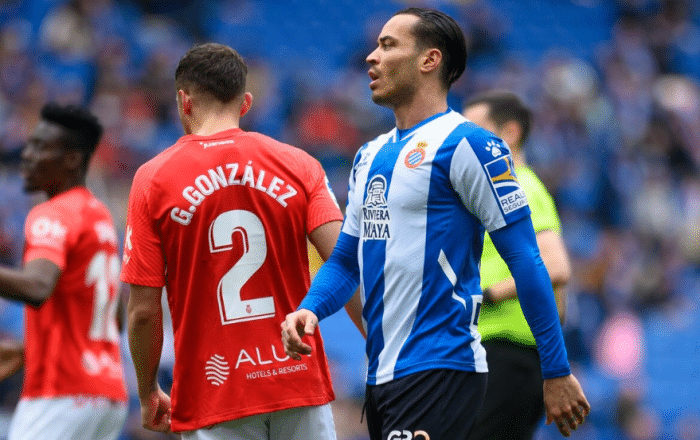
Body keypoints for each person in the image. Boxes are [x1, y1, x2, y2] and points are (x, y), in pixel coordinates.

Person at [281, 7, 590, 440]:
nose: (371, 56)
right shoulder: (369, 156)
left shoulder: (471, 145)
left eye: (388, 45)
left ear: (430, 59)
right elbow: (346, 262)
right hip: (382, 376)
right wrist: (311, 308)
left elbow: (527, 259)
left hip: (442, 369)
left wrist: (555, 369)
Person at [121, 42, 349, 439]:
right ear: (245, 103)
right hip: (297, 379)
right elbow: (346, 261)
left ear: (183, 101)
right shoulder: (299, 164)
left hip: (215, 392)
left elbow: (143, 310)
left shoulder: (152, 179)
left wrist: (147, 392)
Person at [0, 102, 128, 439]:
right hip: (107, 395)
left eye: (39, 147)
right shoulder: (100, 216)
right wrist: (32, 349)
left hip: (60, 393)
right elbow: (116, 317)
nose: (27, 155)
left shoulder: (53, 212)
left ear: (71, 159)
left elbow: (37, 286)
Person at [463, 91, 571, 440]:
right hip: (503, 352)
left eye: (475, 132)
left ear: (509, 133)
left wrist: (490, 294)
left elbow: (556, 266)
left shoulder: (519, 185)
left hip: (508, 349)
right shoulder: (495, 191)